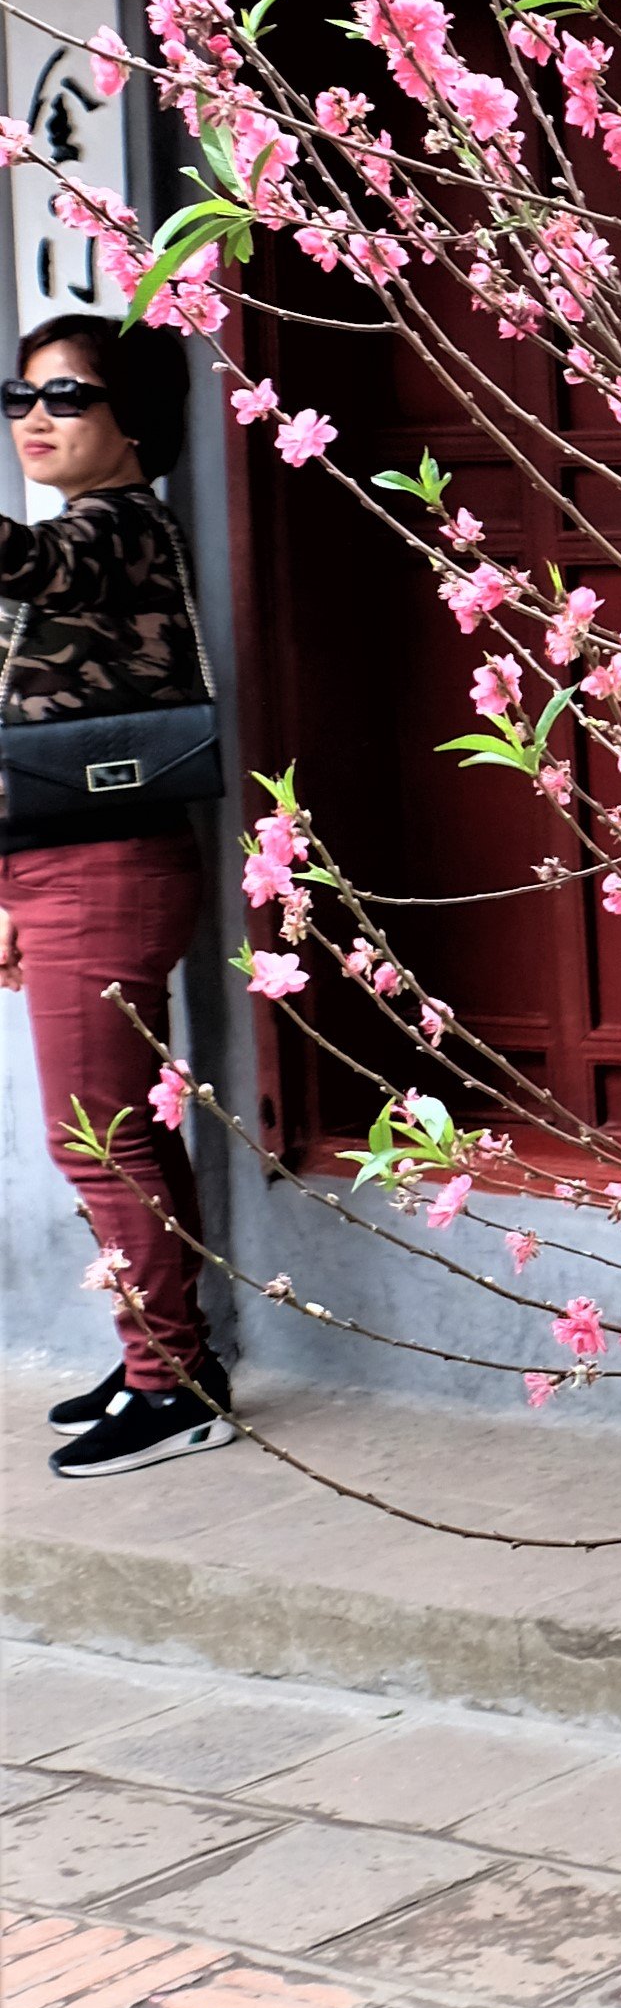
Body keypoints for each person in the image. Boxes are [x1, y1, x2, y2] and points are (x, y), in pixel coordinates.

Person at [2, 311, 232, 1469]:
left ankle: (175, 1382)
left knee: (92, 1138)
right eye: (21, 398)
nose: (35, 419)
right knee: (119, 1129)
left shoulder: (119, 529)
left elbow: (39, 565)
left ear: (131, 418)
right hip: (60, 867)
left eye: (66, 398)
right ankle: (163, 1352)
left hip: (104, 874)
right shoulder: (96, 533)